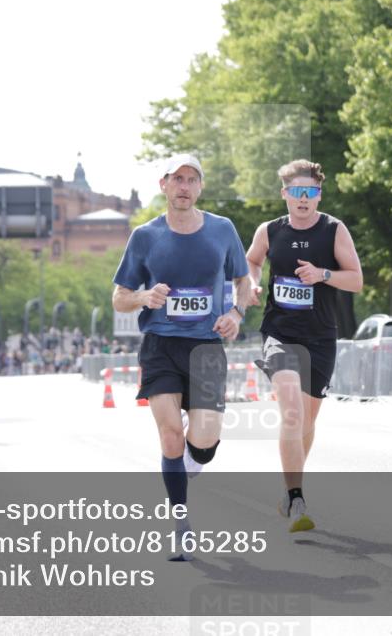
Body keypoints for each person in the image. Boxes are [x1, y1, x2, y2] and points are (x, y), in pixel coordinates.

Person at [112, 153, 251, 561]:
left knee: (204, 439)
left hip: (206, 346)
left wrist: (236, 313)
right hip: (160, 345)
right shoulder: (145, 236)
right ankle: (180, 524)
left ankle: (193, 458)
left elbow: (243, 280)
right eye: (177, 178)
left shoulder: (223, 230)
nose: (185, 186)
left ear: (200, 187)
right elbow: (119, 298)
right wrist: (143, 295)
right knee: (170, 434)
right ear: (164, 185)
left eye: (192, 179)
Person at [245, 159, 363, 532]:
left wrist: (322, 275)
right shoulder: (269, 231)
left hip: (321, 335)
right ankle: (296, 498)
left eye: (309, 192)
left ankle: (289, 488)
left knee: (307, 421)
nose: (303, 199)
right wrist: (251, 283)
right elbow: (251, 261)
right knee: (292, 411)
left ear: (318, 196)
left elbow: (356, 280)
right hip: (280, 332)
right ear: (284, 194)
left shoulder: (333, 230)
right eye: (296, 192)